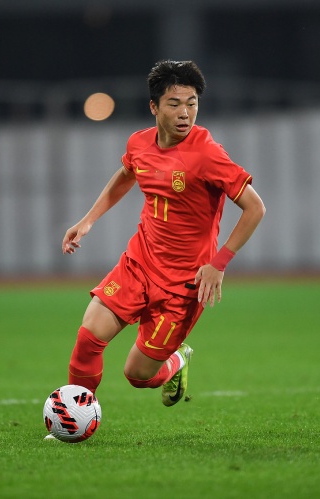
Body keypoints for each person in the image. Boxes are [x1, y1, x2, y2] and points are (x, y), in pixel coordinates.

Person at [61, 60, 265, 409]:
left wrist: (219, 263)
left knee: (138, 375)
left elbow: (255, 208)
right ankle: (73, 418)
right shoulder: (139, 143)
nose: (185, 113)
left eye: (192, 103)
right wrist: (88, 220)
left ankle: (177, 361)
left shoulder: (207, 154)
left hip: (182, 285)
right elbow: (126, 174)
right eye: (174, 104)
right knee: (88, 336)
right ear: (154, 107)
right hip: (139, 263)